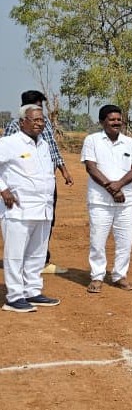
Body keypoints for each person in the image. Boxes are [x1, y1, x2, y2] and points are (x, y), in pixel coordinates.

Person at [4, 90, 73, 274]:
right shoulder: (13, 127)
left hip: (46, 185)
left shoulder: (45, 123)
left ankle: (40, 261)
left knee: (46, 221)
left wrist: (64, 170)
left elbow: (53, 149)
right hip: (22, 187)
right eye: (37, 108)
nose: (40, 117)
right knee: (22, 226)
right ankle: (20, 266)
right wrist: (4, 189)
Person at [0, 104, 60, 312]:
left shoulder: (43, 144)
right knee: (16, 254)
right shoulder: (9, 143)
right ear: (21, 122)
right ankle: (14, 296)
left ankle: (32, 291)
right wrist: (3, 189)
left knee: (37, 253)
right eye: (34, 120)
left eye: (42, 120)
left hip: (43, 208)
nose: (39, 124)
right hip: (19, 208)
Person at [81, 104, 132, 293]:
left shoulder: (130, 143)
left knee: (125, 241)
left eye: (118, 119)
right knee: (98, 240)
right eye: (112, 119)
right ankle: (97, 276)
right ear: (102, 121)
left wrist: (119, 185)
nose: (116, 122)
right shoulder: (92, 140)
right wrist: (112, 189)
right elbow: (91, 168)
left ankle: (119, 275)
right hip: (100, 201)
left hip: (126, 201)